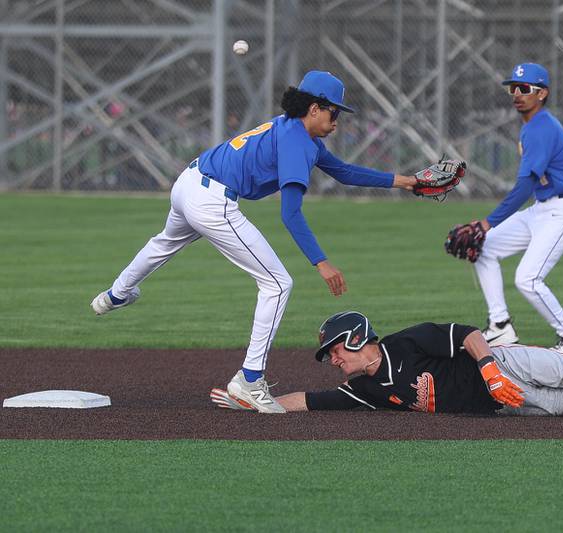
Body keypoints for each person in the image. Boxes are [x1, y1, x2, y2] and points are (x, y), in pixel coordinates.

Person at [91, 71, 419, 413]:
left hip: (189, 181)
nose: (337, 120)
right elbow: (290, 213)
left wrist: (407, 182)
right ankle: (249, 380)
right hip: (211, 201)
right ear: (313, 109)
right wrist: (321, 262)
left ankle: (114, 295)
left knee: (164, 243)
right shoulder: (297, 142)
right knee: (277, 283)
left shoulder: (293, 130)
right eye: (334, 112)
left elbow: (344, 171)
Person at [211, 311, 563, 416]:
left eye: (336, 349)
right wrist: (257, 403)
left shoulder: (406, 343)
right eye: (329, 356)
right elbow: (308, 401)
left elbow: (468, 334)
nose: (333, 360)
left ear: (359, 339)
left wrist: (491, 368)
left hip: (506, 367)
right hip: (504, 407)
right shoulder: (361, 391)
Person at [468, 63, 563, 353]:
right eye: (513, 88)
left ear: (542, 93)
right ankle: (500, 326)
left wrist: (487, 222)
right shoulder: (531, 127)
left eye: (525, 89)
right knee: (482, 247)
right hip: (543, 208)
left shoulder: (542, 128)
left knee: (527, 278)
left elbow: (524, 186)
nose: (517, 94)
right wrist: (485, 231)